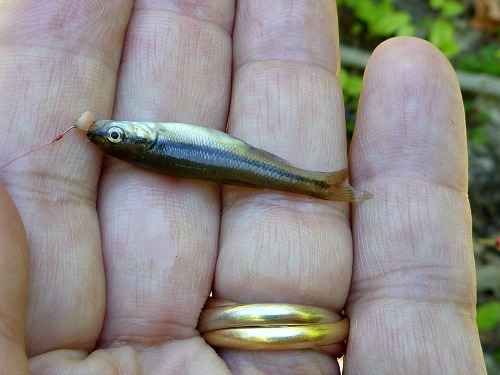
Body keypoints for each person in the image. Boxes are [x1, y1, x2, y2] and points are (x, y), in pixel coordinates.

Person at [0, 1, 486, 374]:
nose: (114, 131)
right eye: (115, 137)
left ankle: (321, 186)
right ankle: (321, 187)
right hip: (227, 160)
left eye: (115, 135)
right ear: (134, 143)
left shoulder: (143, 146)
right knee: (268, 165)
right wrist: (112, 140)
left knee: (266, 163)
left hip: (230, 161)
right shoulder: (142, 147)